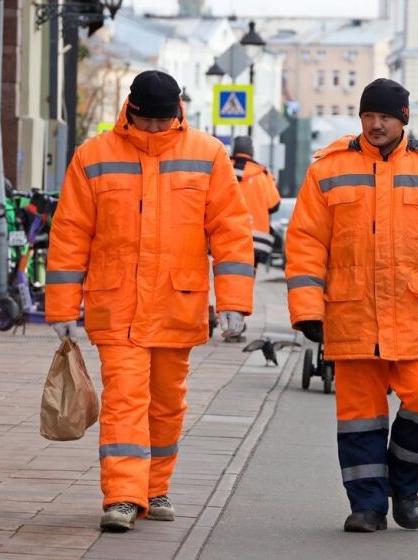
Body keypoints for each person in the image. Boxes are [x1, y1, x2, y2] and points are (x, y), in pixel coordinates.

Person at [46, 70, 254, 532]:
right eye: (150, 122)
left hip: (177, 304)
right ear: (130, 111)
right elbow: (69, 235)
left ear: (178, 112)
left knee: (166, 404)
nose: (158, 130)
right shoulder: (94, 156)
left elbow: (232, 233)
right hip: (116, 305)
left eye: (166, 121)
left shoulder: (207, 154)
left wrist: (235, 302)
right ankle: (122, 496)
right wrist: (61, 307)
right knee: (125, 399)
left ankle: (155, 486)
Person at [285, 78, 418, 533]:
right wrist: (307, 309)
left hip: (417, 316)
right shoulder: (327, 169)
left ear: (404, 118)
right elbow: (307, 244)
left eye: (385, 117)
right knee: (359, 419)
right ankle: (367, 506)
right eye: (368, 116)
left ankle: (405, 487)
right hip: (352, 316)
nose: (375, 124)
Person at [230, 136, 282, 266]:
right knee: (247, 275)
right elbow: (274, 205)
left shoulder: (222, 170)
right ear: (252, 152)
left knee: (226, 271)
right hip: (256, 239)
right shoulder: (262, 175)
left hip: (227, 234)